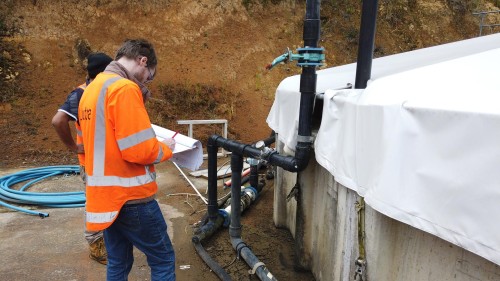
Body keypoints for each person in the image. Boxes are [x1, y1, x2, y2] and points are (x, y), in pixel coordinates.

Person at [78, 39, 176, 281]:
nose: (145, 82)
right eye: (148, 76)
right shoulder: (124, 88)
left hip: (106, 200)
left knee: (119, 262)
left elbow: (93, 144)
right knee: (162, 258)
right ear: (143, 61)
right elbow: (139, 150)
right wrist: (167, 148)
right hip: (131, 197)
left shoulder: (90, 89)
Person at [51, 52, 113, 265]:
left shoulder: (105, 91)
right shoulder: (82, 93)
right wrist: (74, 147)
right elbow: (58, 121)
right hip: (92, 164)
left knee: (109, 203)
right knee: (95, 205)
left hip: (110, 163)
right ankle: (96, 245)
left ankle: (108, 240)